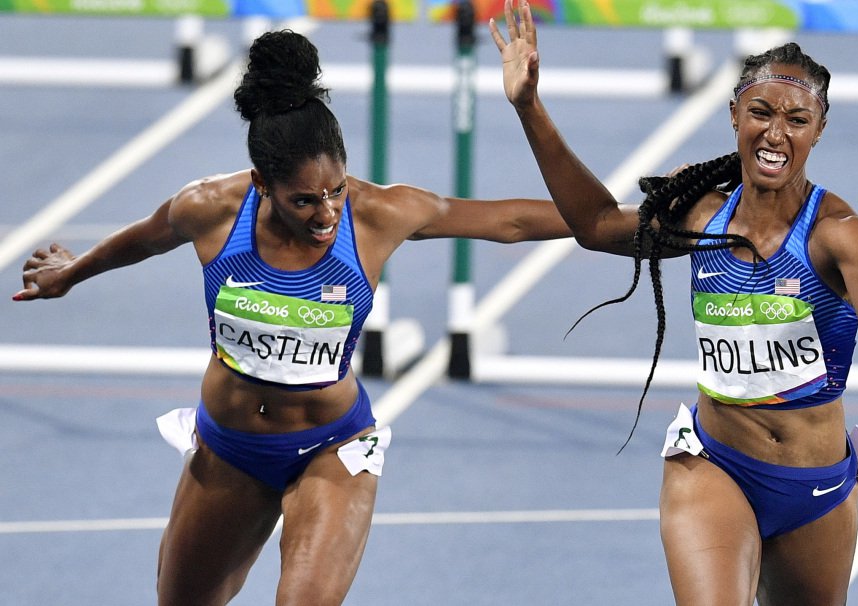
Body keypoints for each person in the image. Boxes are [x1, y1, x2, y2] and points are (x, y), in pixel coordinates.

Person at [14, 29, 570, 605]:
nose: (327, 211)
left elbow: (512, 223)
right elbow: (147, 239)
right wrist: (72, 272)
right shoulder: (209, 208)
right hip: (229, 448)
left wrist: (620, 222)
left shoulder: (379, 214)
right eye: (304, 200)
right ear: (262, 184)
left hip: (331, 448)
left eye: (335, 190)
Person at [490, 1, 858, 603]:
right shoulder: (701, 216)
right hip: (714, 465)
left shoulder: (839, 233)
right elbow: (592, 224)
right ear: (734, 115)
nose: (775, 133)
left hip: (814, 486)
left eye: (796, 120)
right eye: (761, 113)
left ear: (819, 130)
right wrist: (529, 106)